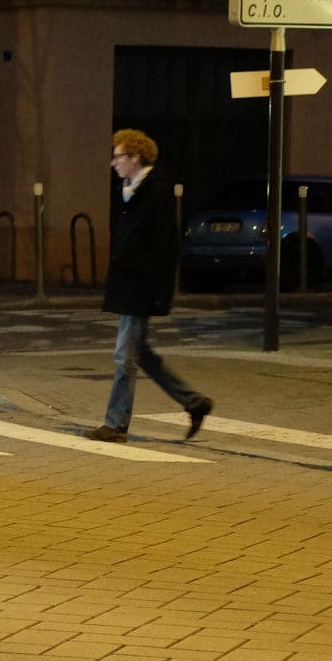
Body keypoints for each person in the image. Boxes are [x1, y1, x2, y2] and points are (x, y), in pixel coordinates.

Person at [84, 129, 214, 443]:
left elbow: (165, 244)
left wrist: (159, 291)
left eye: (118, 157)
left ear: (135, 158)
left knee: (124, 357)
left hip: (141, 286)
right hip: (129, 284)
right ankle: (195, 402)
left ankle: (115, 425)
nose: (113, 162)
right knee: (141, 355)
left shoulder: (156, 190)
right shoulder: (129, 187)